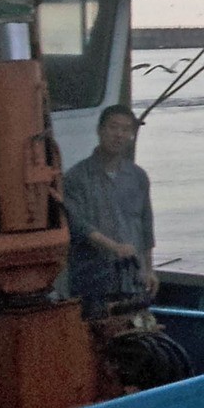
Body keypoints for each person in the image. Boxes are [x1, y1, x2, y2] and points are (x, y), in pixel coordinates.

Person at [62, 103, 155, 319]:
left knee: (135, 344)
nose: (119, 135)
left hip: (132, 281)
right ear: (100, 130)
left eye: (125, 130)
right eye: (113, 127)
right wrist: (115, 247)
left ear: (131, 135)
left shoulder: (138, 177)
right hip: (94, 283)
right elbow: (78, 226)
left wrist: (149, 269)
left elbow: (146, 227)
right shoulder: (76, 178)